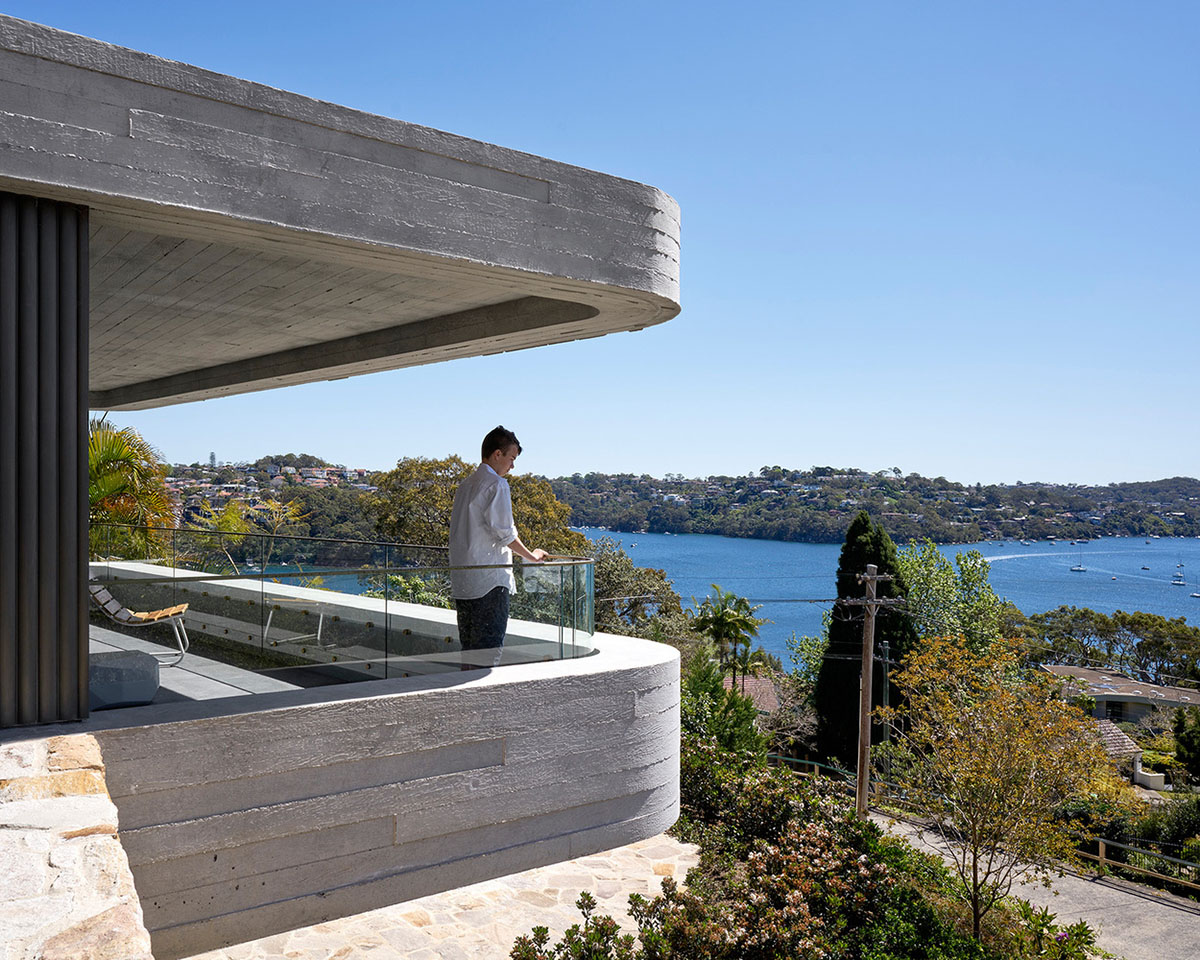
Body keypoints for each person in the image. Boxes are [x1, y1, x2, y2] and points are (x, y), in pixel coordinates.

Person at [449, 426, 547, 668]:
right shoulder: (496, 484)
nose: (512, 466)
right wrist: (532, 557)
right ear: (497, 455)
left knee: (468, 654)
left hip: (463, 583)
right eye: (511, 458)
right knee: (488, 657)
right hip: (490, 584)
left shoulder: (465, 485)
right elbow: (505, 534)